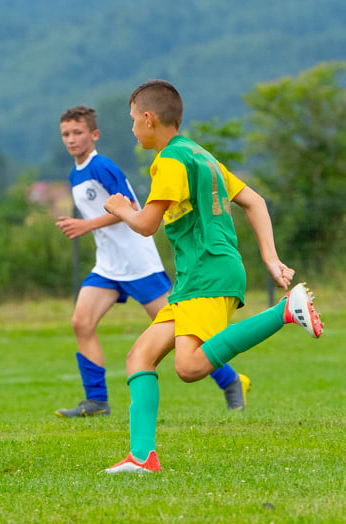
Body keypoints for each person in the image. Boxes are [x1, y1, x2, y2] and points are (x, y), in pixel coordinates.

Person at [101, 80, 323, 473]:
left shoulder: (170, 160)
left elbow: (147, 224)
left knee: (189, 368)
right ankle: (142, 457)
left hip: (208, 272)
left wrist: (119, 207)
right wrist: (270, 259)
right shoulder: (200, 155)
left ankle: (285, 311)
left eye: (134, 121)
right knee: (140, 356)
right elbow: (254, 200)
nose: (133, 129)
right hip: (196, 277)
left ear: (149, 120)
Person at [54, 105, 250, 418]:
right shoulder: (74, 174)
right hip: (107, 265)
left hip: (138, 263)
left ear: (94, 135)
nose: (72, 139)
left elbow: (129, 205)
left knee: (184, 329)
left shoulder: (102, 166)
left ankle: (231, 381)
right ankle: (96, 402)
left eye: (78, 132)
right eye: (66, 134)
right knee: (81, 322)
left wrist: (85, 225)